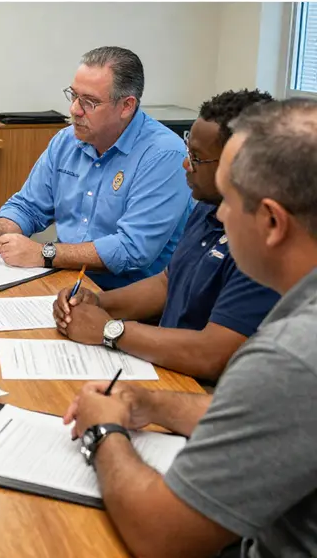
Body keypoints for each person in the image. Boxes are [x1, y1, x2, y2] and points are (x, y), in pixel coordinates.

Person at [63, 98, 317, 558]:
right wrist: (151, 402)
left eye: (231, 204)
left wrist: (104, 432)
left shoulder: (293, 354)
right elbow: (264, 414)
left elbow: (163, 536)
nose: (219, 217)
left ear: (273, 222)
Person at [53, 89, 279, 382]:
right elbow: (168, 283)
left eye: (197, 158)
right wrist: (96, 303)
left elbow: (212, 356)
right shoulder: (209, 206)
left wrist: (111, 330)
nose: (186, 165)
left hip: (202, 390)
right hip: (162, 364)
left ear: (240, 165)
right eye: (188, 152)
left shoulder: (264, 244)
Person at [0, 46, 191, 289]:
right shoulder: (66, 140)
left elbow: (132, 249)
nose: (74, 110)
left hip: (129, 299)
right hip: (66, 281)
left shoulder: (164, 154)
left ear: (126, 106)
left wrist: (46, 253)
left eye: (90, 102)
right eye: (73, 96)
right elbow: (28, 206)